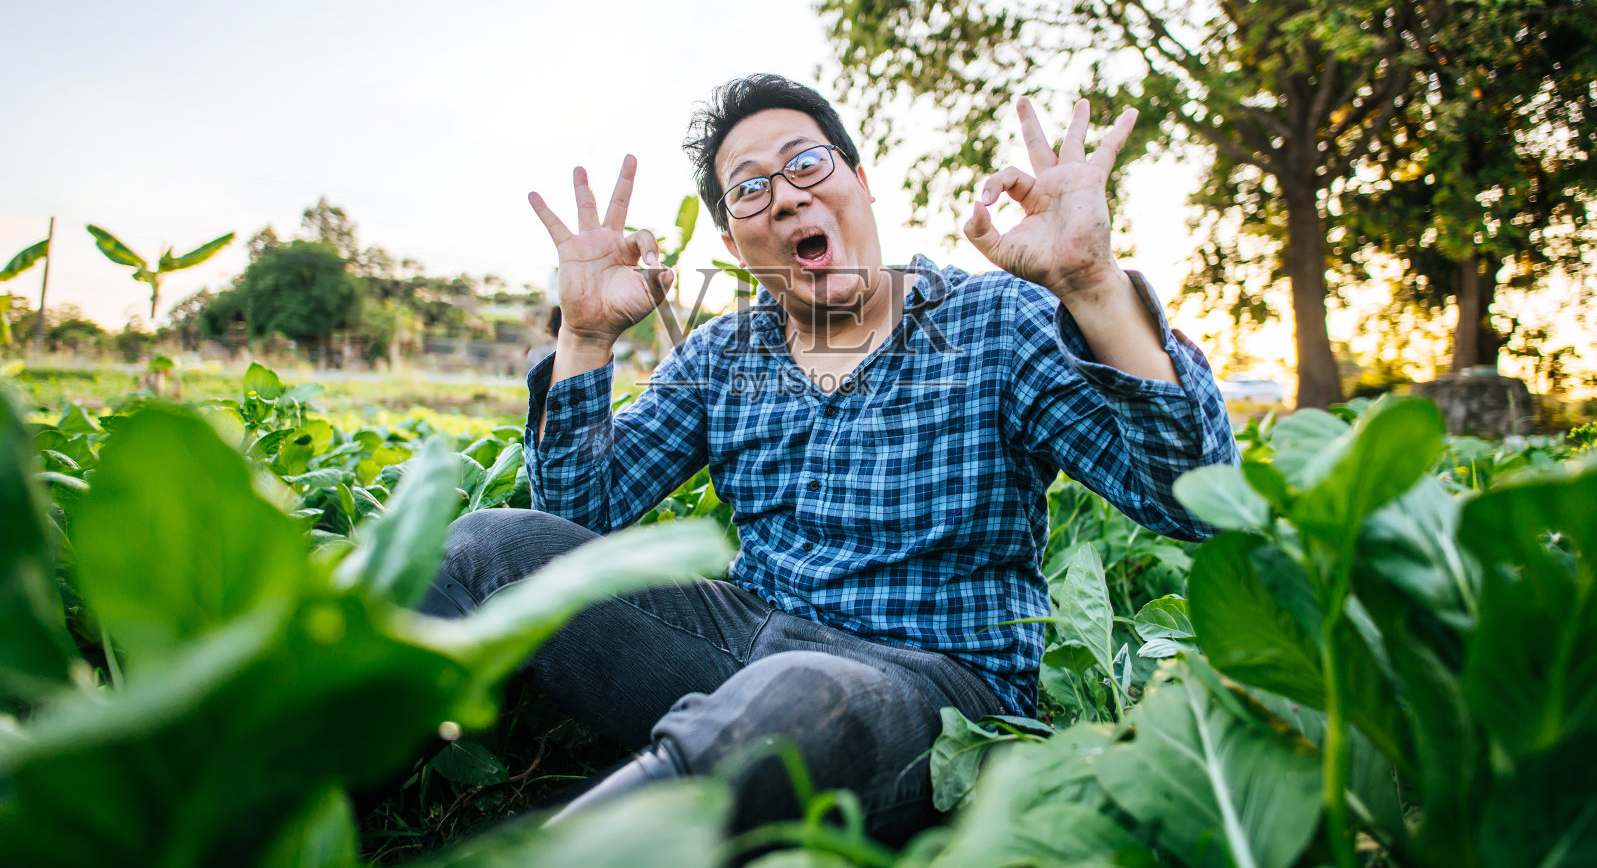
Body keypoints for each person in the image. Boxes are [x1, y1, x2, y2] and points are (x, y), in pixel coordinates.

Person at [420, 73, 1236, 842]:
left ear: (861, 178)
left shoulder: (995, 319)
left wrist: (1093, 285)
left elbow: (1191, 500)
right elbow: (575, 518)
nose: (785, 196)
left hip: (933, 684)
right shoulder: (722, 353)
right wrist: (585, 336)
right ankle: (309, 784)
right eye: (750, 188)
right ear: (737, 243)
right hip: (741, 638)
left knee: (791, 700)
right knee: (488, 550)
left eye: (805, 162)